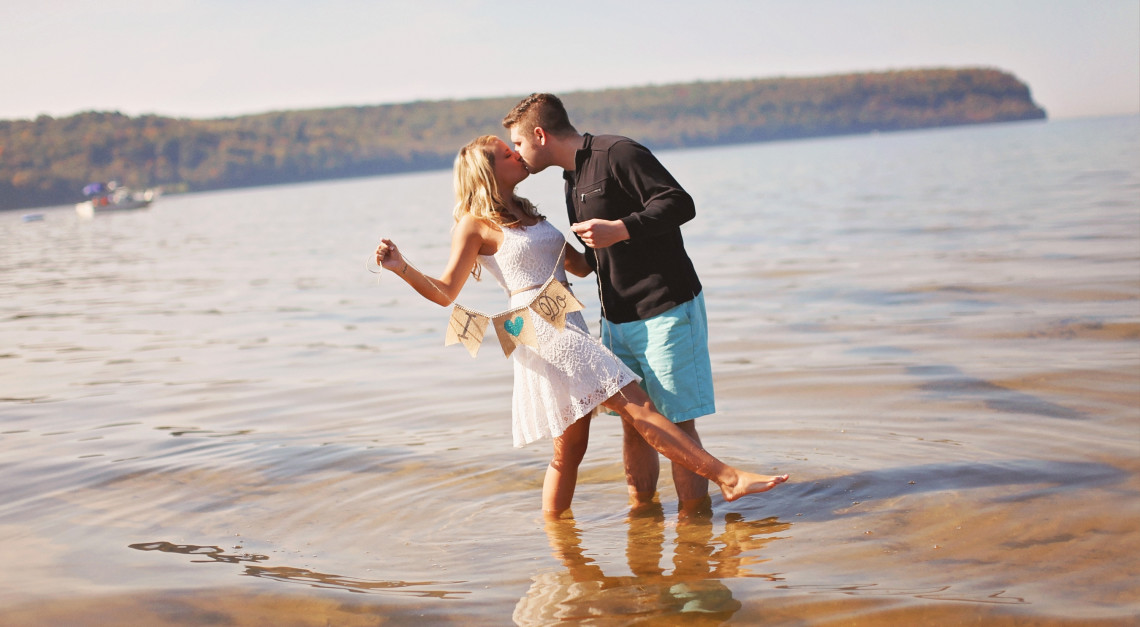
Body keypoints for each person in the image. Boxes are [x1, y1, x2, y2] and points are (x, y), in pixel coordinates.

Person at [375, 135, 787, 519]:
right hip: (538, 329)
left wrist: (625, 228)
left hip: (566, 317)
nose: (517, 155)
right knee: (639, 407)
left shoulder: (529, 211)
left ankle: (559, 540)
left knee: (570, 449)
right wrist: (401, 267)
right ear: (486, 172)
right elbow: (446, 291)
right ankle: (729, 479)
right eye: (507, 154)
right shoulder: (475, 224)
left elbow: (584, 265)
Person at [503, 93, 717, 514]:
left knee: (678, 424)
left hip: (666, 308)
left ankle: (695, 536)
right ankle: (644, 521)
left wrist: (621, 228)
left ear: (540, 135)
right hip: (616, 320)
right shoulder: (571, 179)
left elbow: (679, 203)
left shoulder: (618, 152)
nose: (516, 153)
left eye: (519, 143)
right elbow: (592, 259)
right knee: (636, 427)